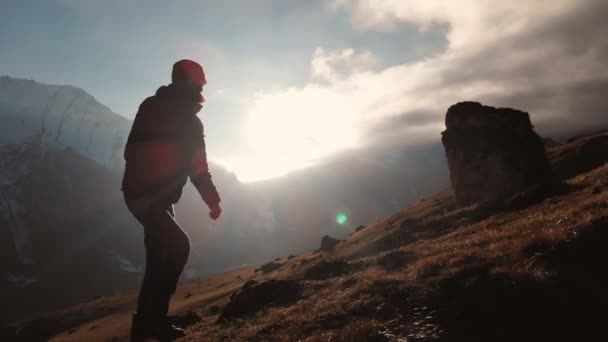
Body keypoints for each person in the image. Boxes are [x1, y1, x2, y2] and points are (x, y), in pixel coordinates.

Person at [122, 59, 222, 341]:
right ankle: (152, 322)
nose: (203, 85)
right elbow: (197, 168)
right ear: (186, 82)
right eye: (200, 81)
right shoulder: (168, 113)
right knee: (178, 246)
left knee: (158, 258)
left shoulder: (166, 111)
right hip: (144, 197)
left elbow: (196, 166)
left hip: (152, 197)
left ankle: (147, 327)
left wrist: (212, 200)